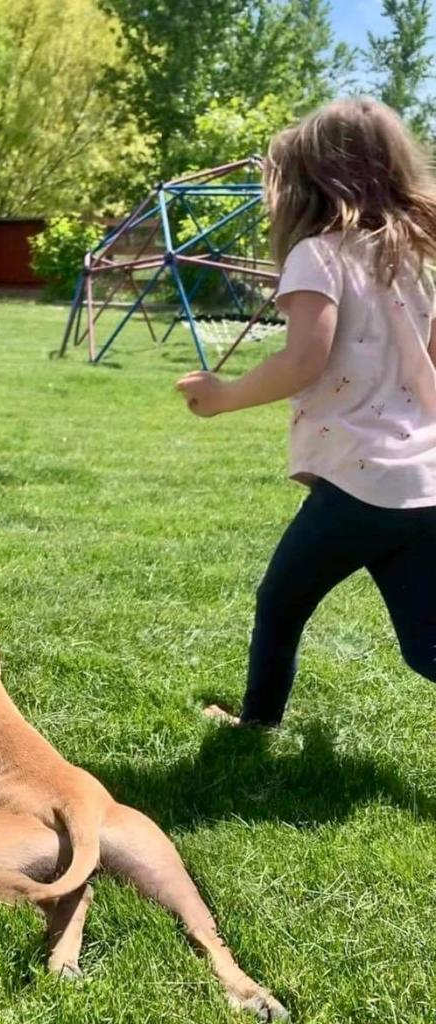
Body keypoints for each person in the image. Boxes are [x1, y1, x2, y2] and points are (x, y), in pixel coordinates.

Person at [175, 98, 436, 728]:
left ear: (310, 180)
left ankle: (257, 722)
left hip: (358, 480)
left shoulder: (318, 255)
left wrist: (223, 394)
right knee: (425, 644)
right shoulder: (422, 255)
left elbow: (304, 361)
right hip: (424, 480)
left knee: (282, 599)